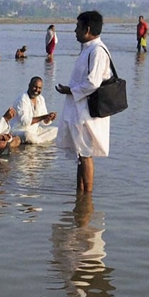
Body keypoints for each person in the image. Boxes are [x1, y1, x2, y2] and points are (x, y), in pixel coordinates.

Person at [56, 10, 112, 193]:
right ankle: (80, 196)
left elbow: (93, 82)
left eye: (77, 27)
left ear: (87, 29)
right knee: (81, 154)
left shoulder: (97, 51)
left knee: (86, 154)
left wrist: (70, 90)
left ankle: (86, 198)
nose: (75, 31)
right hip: (80, 110)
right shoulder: (88, 49)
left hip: (88, 112)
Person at [10, 76, 58, 144]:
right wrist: (44, 117)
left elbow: (43, 122)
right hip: (20, 130)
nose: (37, 90)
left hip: (35, 131)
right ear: (29, 86)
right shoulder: (22, 99)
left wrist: (48, 118)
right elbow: (25, 121)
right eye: (35, 87)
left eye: (39, 88)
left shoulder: (41, 99)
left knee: (56, 130)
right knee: (28, 135)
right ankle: (38, 142)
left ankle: (38, 141)